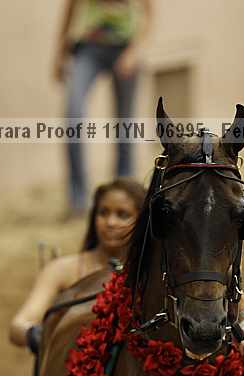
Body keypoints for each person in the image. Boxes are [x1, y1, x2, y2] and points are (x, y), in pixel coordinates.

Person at [9, 178, 145, 351]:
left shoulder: (149, 274)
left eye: (123, 215)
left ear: (141, 221)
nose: (110, 222)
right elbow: (18, 326)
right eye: (103, 213)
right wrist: (42, 337)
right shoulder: (62, 269)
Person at [52, 0, 152, 218]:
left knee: (125, 123)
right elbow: (70, 8)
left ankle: (124, 192)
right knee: (73, 115)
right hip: (88, 48)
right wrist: (59, 53)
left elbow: (149, 14)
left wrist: (134, 51)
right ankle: (78, 200)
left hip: (124, 47)